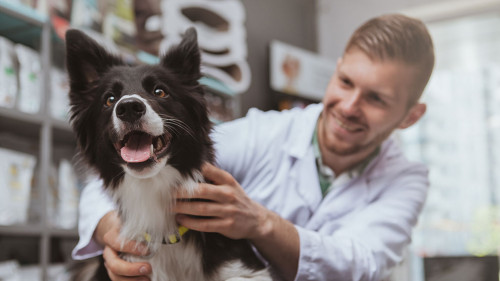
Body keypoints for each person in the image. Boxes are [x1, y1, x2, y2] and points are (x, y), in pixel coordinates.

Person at [72, 13, 434, 281]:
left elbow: (361, 264)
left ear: (410, 116)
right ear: (336, 70)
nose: (349, 105)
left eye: (376, 99)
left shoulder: (407, 180)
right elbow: (106, 180)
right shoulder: (263, 131)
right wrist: (111, 230)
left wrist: (260, 223)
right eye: (345, 81)